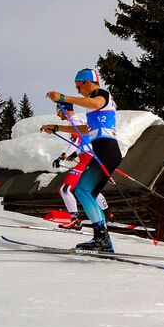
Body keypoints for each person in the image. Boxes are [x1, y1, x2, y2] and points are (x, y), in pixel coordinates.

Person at [42, 68, 120, 253]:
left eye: (78, 86)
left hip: (106, 149)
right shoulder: (96, 105)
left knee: (82, 189)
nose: (78, 91)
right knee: (89, 193)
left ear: (87, 82)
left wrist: (63, 98)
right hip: (105, 150)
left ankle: (102, 238)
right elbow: (86, 129)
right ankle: (102, 238)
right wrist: (57, 127)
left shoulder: (100, 95)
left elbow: (94, 101)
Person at [52, 99, 108, 231]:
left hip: (87, 160)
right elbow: (83, 142)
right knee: (87, 188)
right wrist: (75, 155)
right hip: (88, 158)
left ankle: (75, 220)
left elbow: (76, 141)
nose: (57, 114)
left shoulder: (75, 122)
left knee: (65, 189)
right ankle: (106, 212)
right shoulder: (78, 121)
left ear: (64, 109)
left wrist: (62, 157)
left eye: (58, 110)